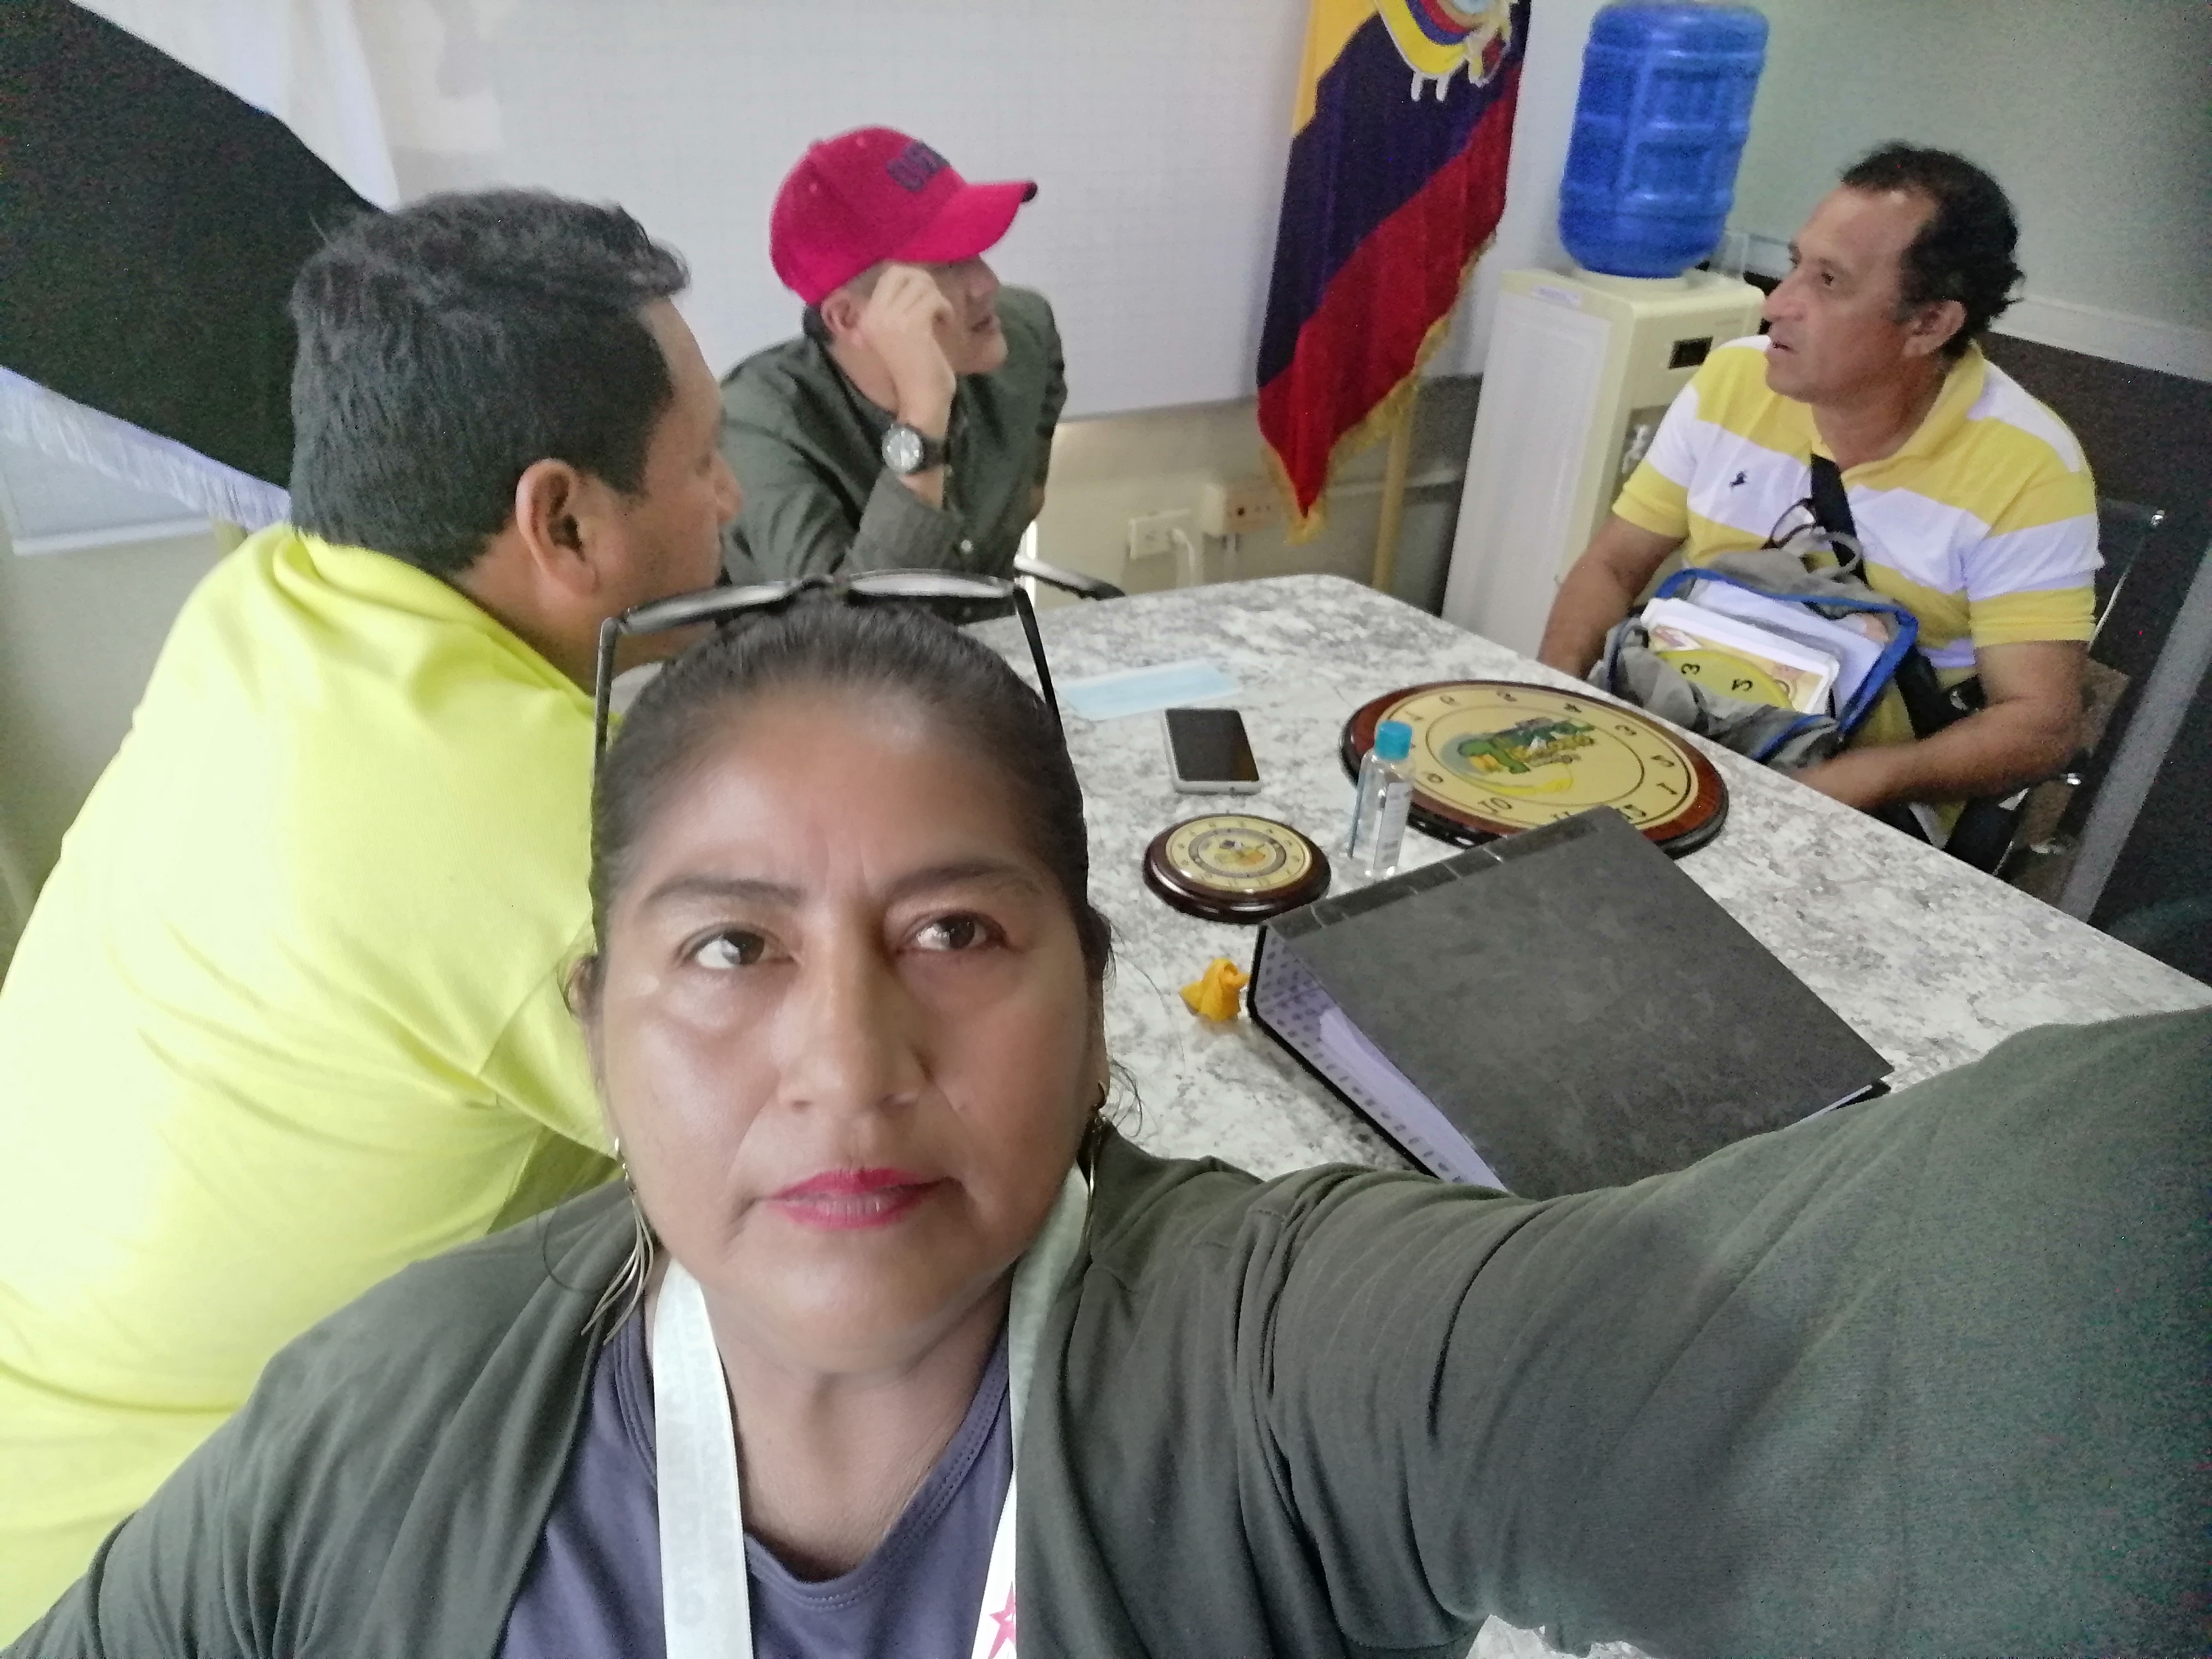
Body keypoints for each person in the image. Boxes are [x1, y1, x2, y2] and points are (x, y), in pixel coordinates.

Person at [11, 597, 2204, 1659]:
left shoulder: (1271, 1367)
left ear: (1092, 1007)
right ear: (598, 1033)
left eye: (955, 931)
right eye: (730, 948)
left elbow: (2023, 1284)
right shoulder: (378, 1418)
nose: (846, 1058)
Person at [0, 191, 739, 1636]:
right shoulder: (545, 829)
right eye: (702, 459)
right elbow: (859, 1162)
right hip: (147, 1584)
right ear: (562, 517)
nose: (729, 494)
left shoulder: (268, 600)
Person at [1538, 145, 2097, 820]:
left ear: (1928, 325)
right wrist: (1562, 698)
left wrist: (1861, 781)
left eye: (1829, 281)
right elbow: (1612, 565)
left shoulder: (2030, 468)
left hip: (1854, 803)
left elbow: (2040, 725)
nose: (1778, 303)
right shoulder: (1734, 379)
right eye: (1797, 264)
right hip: (1675, 740)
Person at [719, 126, 1066, 583]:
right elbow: (847, 626)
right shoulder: (757, 425)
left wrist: (1028, 486)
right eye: (946, 265)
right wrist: (923, 417)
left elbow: (1044, 393)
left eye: (975, 250)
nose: (988, 284)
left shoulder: (1022, 330)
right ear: (848, 318)